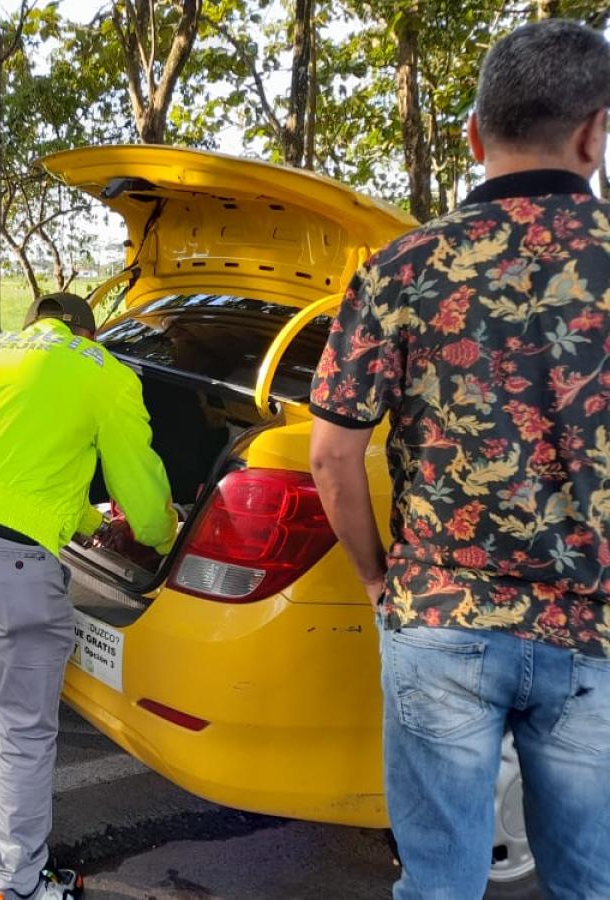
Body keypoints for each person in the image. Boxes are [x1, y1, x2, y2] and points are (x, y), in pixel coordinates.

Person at [307, 20, 610, 899]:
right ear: (595, 133)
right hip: (593, 630)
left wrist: (378, 580)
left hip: (440, 616)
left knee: (439, 882)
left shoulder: (402, 268)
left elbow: (331, 457)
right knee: (589, 880)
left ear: (474, 135)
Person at [0, 293, 178, 900]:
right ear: (87, 333)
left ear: (32, 325)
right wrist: (159, 536)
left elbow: (3, 471)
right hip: (10, 555)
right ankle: (18, 880)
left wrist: (85, 522)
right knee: (24, 723)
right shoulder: (102, 370)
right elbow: (139, 484)